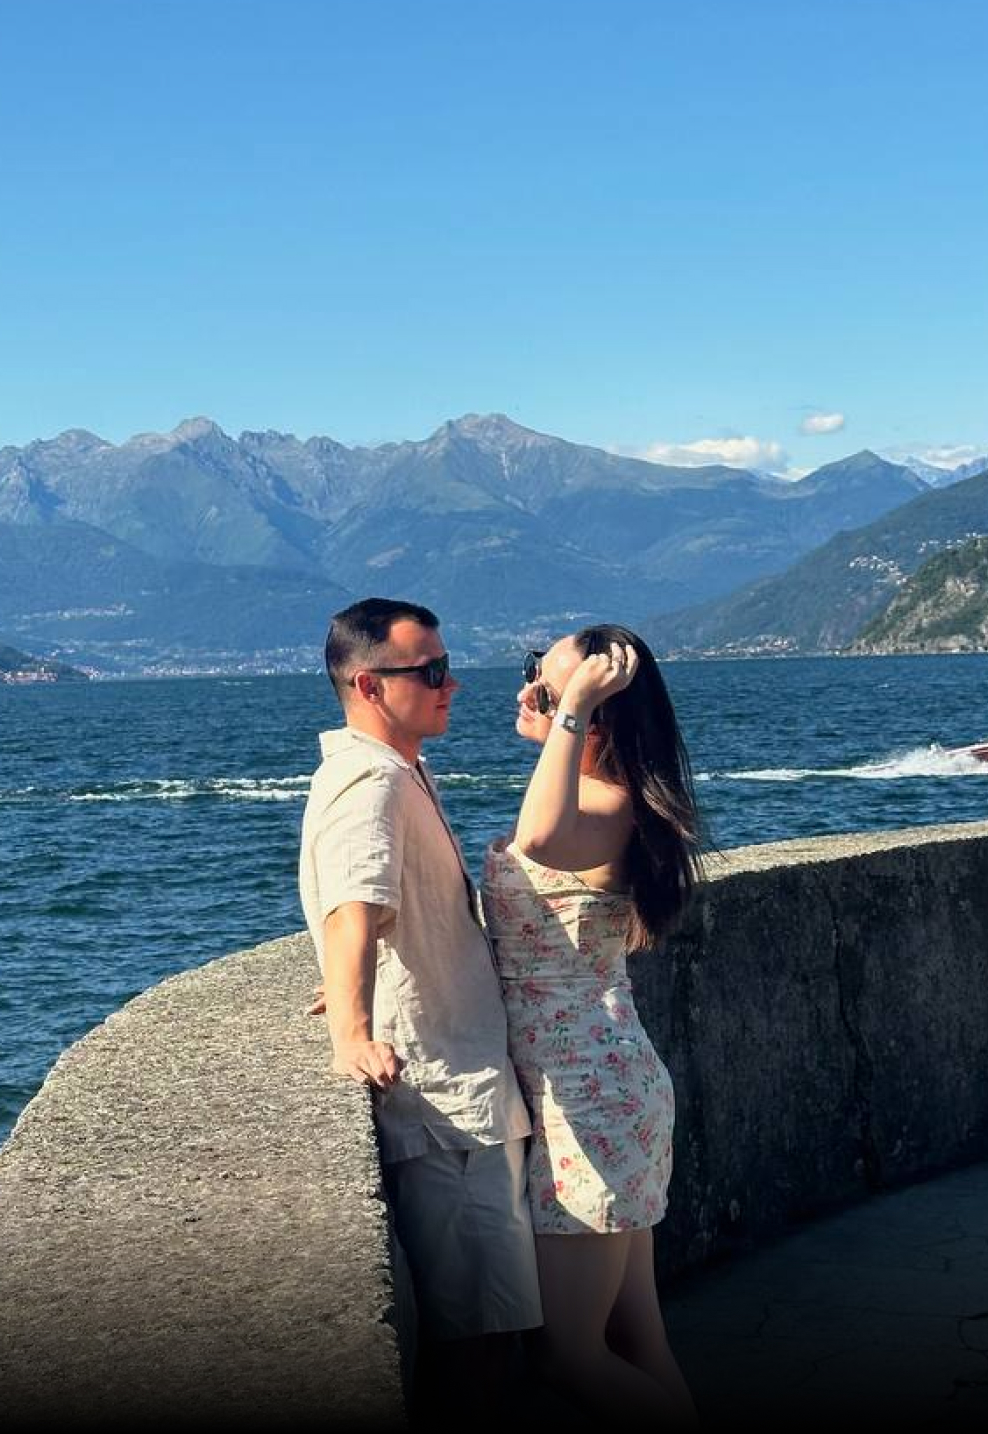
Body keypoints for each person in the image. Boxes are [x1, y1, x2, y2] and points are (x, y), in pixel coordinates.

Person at [298, 596, 542, 1408]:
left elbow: (380, 915)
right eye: (431, 671)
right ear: (369, 685)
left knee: (488, 1326)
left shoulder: (395, 771)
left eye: (446, 666)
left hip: (462, 1093)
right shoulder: (369, 783)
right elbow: (354, 905)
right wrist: (350, 1031)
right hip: (447, 1103)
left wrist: (345, 985)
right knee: (480, 1336)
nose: (451, 684)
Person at [480, 623, 701, 1426]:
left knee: (568, 1355)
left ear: (597, 714)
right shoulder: (603, 803)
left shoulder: (609, 809)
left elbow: (539, 839)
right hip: (595, 1087)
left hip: (590, 1099)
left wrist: (569, 706)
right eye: (533, 675)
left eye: (542, 686)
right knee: (635, 1339)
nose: (525, 693)